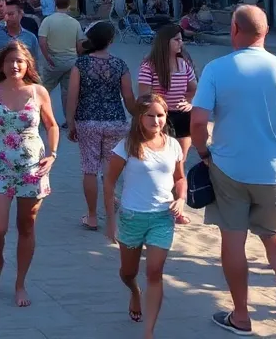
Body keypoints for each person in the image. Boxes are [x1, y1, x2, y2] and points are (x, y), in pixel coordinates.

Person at [190, 4, 276, 337]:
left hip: (229, 167)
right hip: (274, 170)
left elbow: (199, 121)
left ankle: (241, 316)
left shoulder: (217, 69)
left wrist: (204, 153)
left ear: (234, 29)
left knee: (233, 239)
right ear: (266, 32)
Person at [0, 41, 58, 308]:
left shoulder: (39, 92)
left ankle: (20, 283)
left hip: (32, 170)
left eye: (20, 61)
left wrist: (52, 154)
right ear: (1, 65)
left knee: (26, 226)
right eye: (9, 61)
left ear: (27, 64)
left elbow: (52, 125)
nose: (15, 65)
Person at [103, 93, 186, 335]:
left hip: (162, 217)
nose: (156, 120)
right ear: (139, 117)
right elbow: (109, 182)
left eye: (160, 115)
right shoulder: (126, 146)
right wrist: (110, 220)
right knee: (128, 273)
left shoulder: (173, 145)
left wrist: (181, 199)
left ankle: (148, 331)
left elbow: (179, 178)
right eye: (150, 115)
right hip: (131, 217)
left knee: (154, 272)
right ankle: (134, 291)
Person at [66, 20, 134, 231]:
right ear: (111, 41)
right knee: (109, 169)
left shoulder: (81, 65)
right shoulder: (120, 65)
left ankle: (93, 216)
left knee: (89, 168)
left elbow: (73, 96)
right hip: (115, 121)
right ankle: (112, 212)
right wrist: (139, 116)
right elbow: (129, 97)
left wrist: (70, 123)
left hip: (87, 121)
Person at [137, 24, 196, 225]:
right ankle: (157, 206)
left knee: (180, 163)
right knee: (159, 164)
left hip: (181, 117)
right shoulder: (149, 66)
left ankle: (177, 209)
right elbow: (144, 96)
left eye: (181, 39)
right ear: (165, 42)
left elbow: (194, 88)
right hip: (158, 119)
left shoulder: (184, 64)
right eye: (176, 39)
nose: (181, 43)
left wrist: (189, 102)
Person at [37, 0, 85, 123]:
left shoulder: (47, 21)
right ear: (69, 5)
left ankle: (40, 117)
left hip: (52, 61)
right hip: (71, 62)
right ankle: (69, 120)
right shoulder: (75, 23)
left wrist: (47, 57)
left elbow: (42, 41)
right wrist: (78, 57)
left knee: (43, 89)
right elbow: (80, 44)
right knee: (68, 93)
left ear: (55, 4)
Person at [0, 0, 39, 89]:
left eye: (11, 14)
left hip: (21, 87)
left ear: (20, 15)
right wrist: (2, 54)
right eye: (5, 15)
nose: (7, 18)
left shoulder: (30, 38)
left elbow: (34, 63)